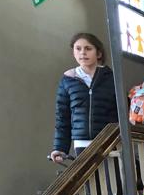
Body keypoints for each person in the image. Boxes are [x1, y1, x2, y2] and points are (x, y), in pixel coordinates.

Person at [51, 33, 119, 164]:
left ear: (99, 53)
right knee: (89, 178)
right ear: (73, 52)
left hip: (109, 142)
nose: (83, 52)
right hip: (82, 145)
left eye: (88, 48)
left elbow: (121, 111)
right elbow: (62, 117)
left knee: (112, 177)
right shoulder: (67, 80)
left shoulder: (112, 78)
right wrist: (59, 148)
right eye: (78, 48)